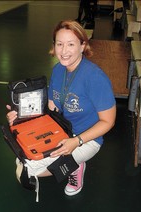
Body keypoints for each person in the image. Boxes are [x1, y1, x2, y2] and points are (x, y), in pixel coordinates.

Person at [6, 20, 116, 198]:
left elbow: (108, 122)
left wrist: (76, 142)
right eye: (60, 44)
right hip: (61, 129)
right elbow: (49, 106)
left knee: (30, 173)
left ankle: (76, 166)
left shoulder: (95, 78)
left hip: (87, 138)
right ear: (54, 46)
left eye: (71, 44)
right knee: (25, 162)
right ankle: (73, 161)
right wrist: (20, 114)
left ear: (83, 45)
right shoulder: (58, 69)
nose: (64, 51)